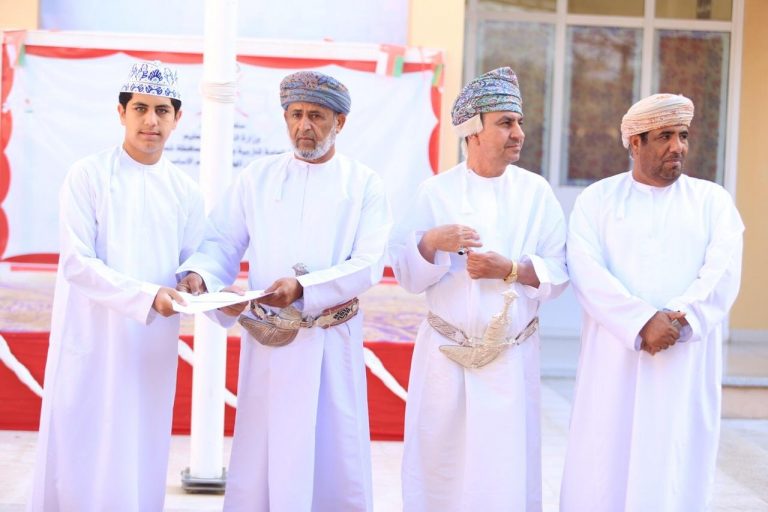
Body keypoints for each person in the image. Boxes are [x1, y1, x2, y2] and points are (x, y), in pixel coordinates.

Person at [176, 70, 391, 511]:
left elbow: (369, 264)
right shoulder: (257, 177)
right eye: (295, 114)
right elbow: (220, 242)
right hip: (269, 343)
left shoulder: (364, 184)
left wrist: (303, 288)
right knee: (265, 452)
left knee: (332, 454)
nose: (303, 126)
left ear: (340, 122)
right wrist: (202, 276)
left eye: (316, 116)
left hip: (330, 341)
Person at [388, 67, 569, 511]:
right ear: (473, 131)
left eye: (519, 122)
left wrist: (513, 270)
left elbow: (560, 272)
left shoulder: (536, 193)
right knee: (440, 468)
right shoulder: (435, 192)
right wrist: (432, 242)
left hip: (510, 360)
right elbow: (406, 274)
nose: (518, 133)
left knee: (502, 476)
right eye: (505, 123)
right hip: (445, 358)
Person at [28, 61, 205, 511]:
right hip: (91, 336)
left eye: (162, 111)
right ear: (121, 112)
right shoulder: (87, 175)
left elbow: (193, 259)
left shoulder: (185, 191)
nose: (151, 121)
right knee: (82, 443)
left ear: (177, 118)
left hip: (151, 344)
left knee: (140, 446)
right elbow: (77, 262)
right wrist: (147, 296)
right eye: (140, 108)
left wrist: (195, 278)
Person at [559, 93, 744, 512]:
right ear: (634, 143)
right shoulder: (597, 200)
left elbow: (722, 272)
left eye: (683, 135)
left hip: (683, 360)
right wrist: (642, 322)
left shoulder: (712, 201)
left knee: (674, 467)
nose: (678, 146)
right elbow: (587, 272)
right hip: (614, 361)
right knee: (605, 466)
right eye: (664, 136)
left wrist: (679, 317)